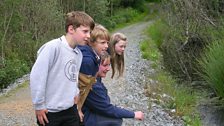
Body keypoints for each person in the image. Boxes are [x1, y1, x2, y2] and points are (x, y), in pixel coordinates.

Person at [30, 11, 95, 126]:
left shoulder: (78, 54)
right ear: (71, 29)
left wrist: (76, 97)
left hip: (70, 109)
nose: (88, 36)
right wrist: (39, 105)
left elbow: (73, 78)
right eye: (85, 31)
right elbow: (37, 77)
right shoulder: (53, 47)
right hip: (50, 112)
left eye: (89, 32)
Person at [83, 51, 144, 126]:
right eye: (105, 65)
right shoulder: (93, 85)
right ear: (95, 65)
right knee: (115, 121)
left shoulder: (96, 78)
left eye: (109, 65)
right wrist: (133, 114)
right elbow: (107, 109)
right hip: (83, 118)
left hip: (89, 112)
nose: (108, 69)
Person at [77, 24, 110, 123]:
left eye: (107, 42)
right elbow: (81, 87)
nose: (106, 46)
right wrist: (78, 109)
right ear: (91, 42)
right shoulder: (88, 61)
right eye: (103, 42)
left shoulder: (94, 55)